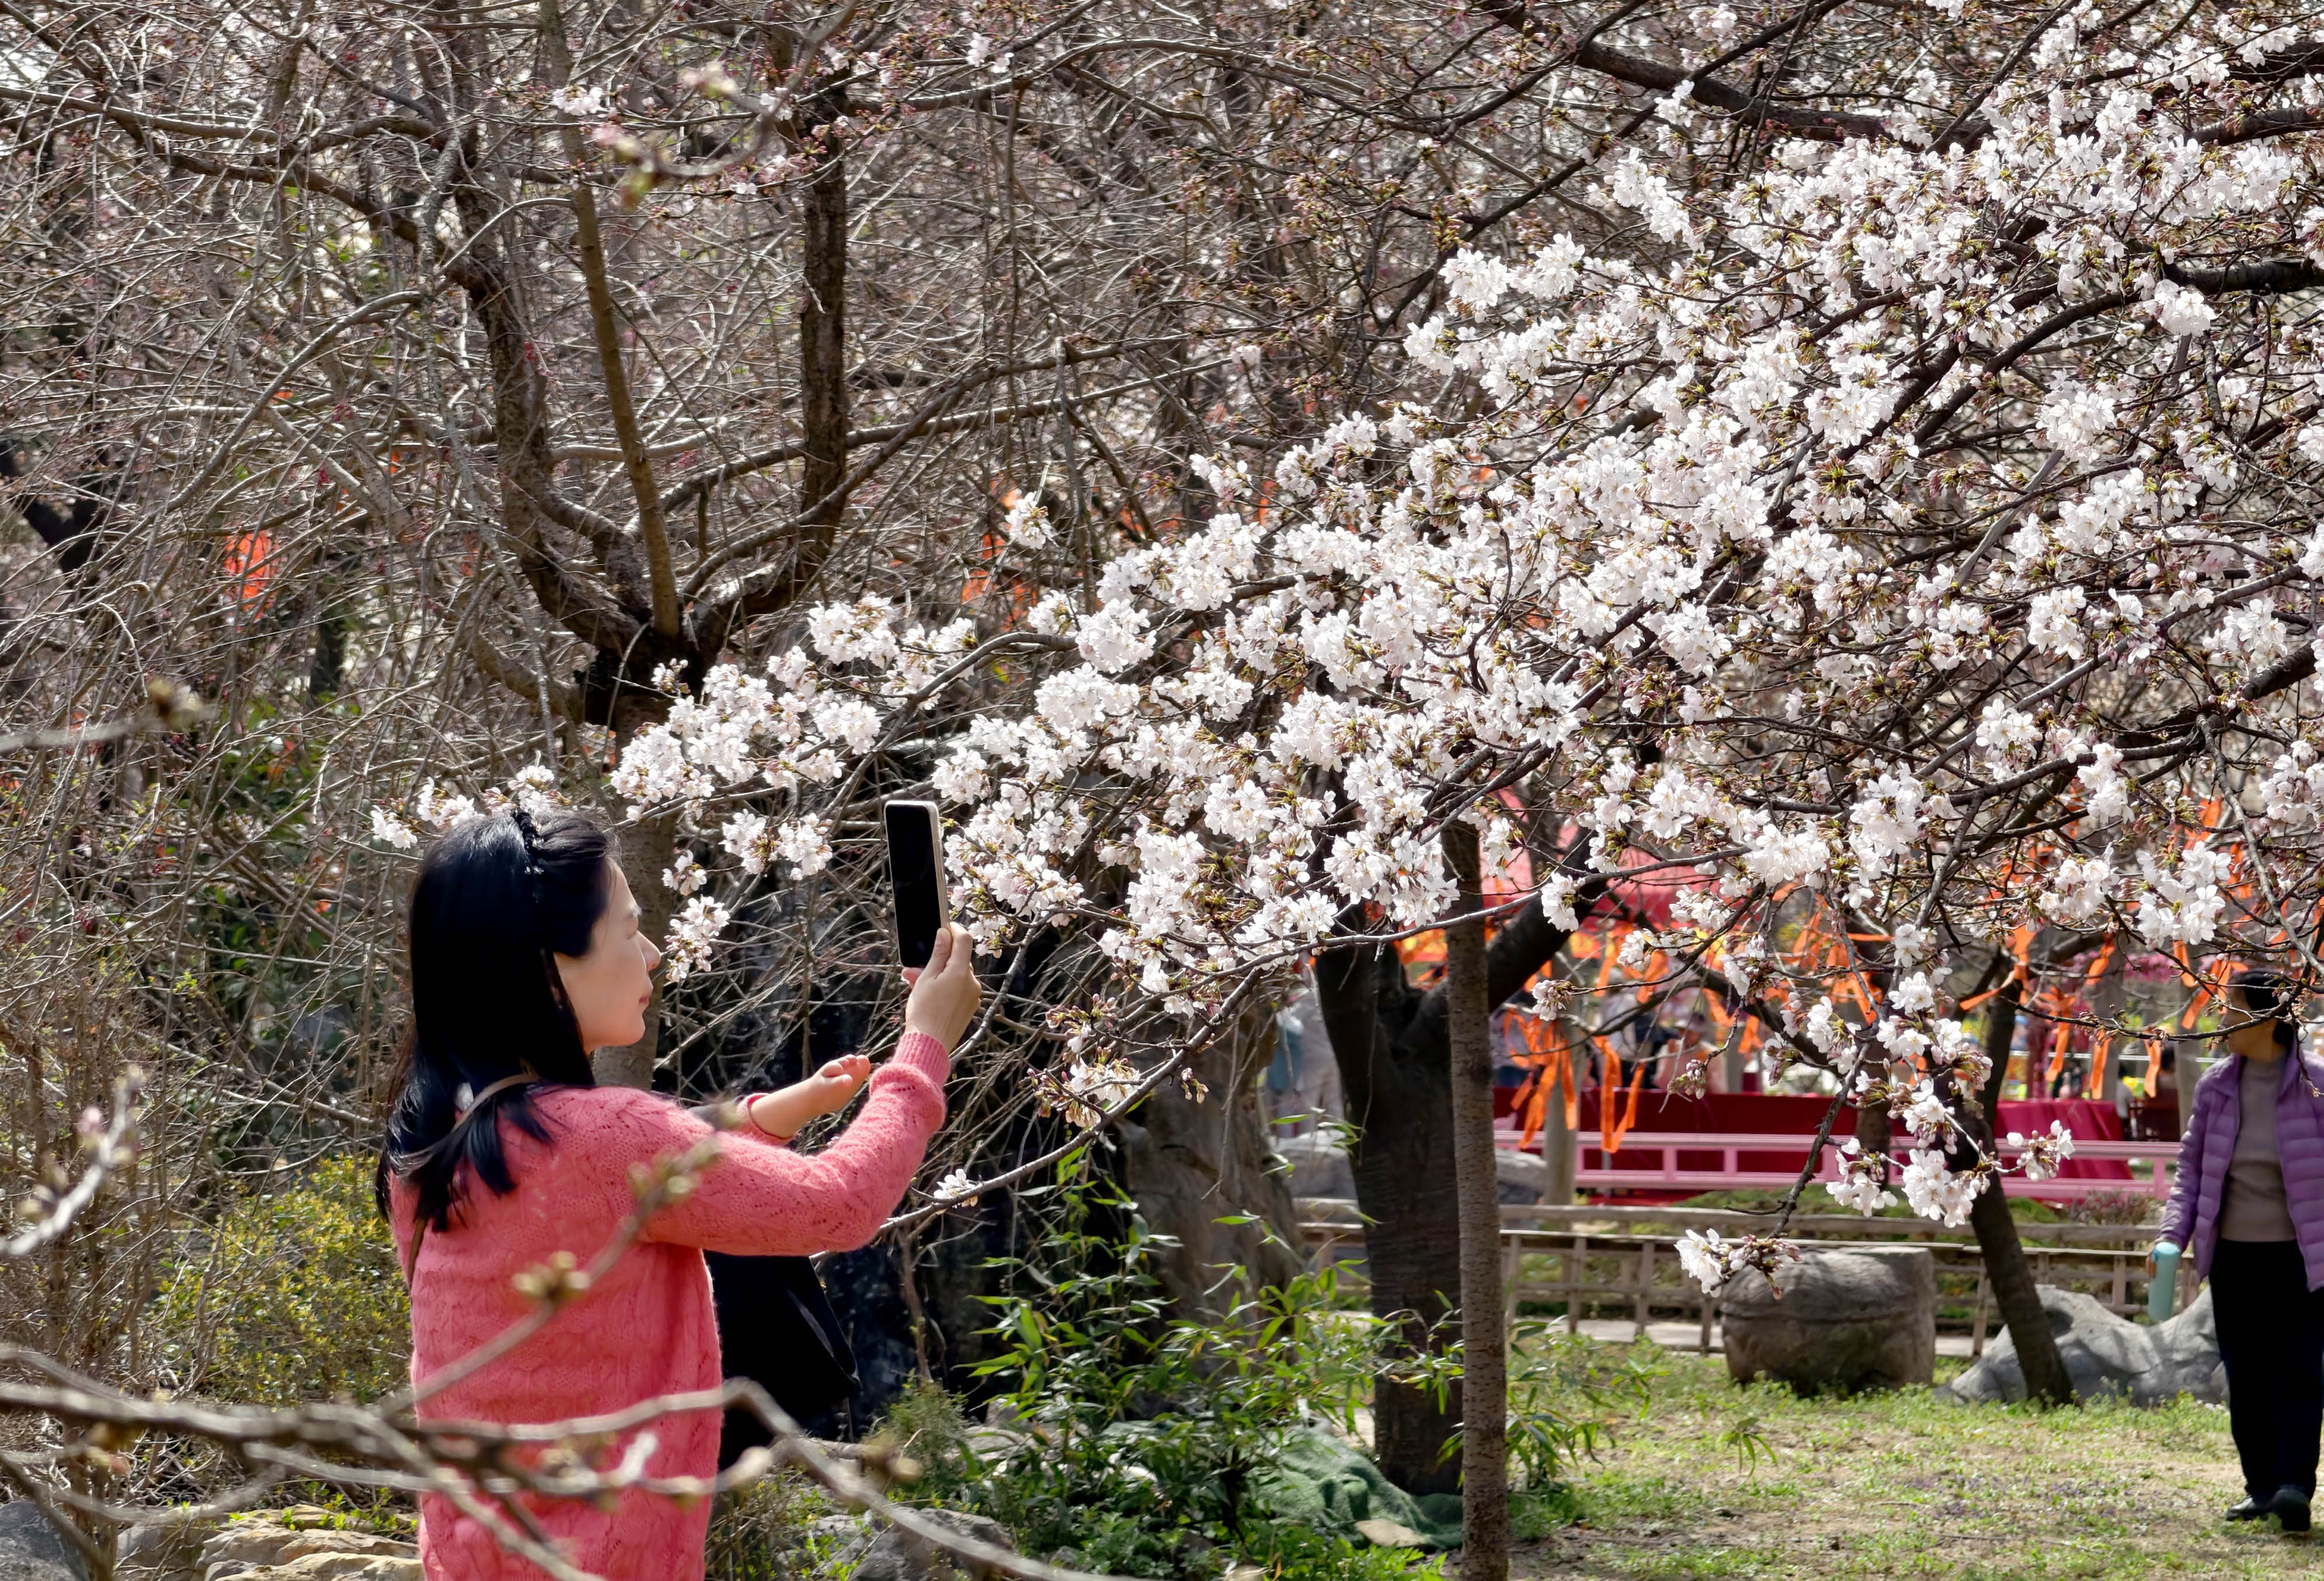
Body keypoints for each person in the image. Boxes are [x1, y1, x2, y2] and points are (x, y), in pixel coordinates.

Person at [375, 807, 979, 1580]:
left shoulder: (428, 1154)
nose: (655, 953)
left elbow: (579, 1193)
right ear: (546, 965)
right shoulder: (611, 1136)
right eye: (629, 930)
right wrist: (924, 1048)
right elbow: (841, 1202)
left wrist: (768, 1117)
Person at [2155, 968, 2324, 1534]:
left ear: (2265, 1015)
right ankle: (2260, 1487)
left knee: (2297, 1371)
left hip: (2300, 1260)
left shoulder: (2314, 1086)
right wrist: (2169, 1237)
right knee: (2245, 1374)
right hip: (2231, 1257)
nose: (2221, 1017)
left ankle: (2293, 1486)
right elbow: (2188, 1172)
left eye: (2230, 1007)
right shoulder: (2214, 1088)